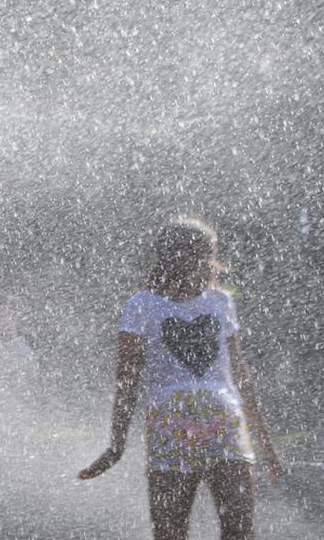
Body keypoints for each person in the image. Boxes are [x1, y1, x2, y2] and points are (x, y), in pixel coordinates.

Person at [79, 217, 284, 540]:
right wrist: (115, 444)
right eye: (205, 254)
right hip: (215, 420)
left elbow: (128, 381)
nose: (208, 264)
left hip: (183, 421)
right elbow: (128, 379)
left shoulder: (172, 303)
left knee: (179, 532)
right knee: (232, 531)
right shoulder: (154, 303)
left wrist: (116, 445)